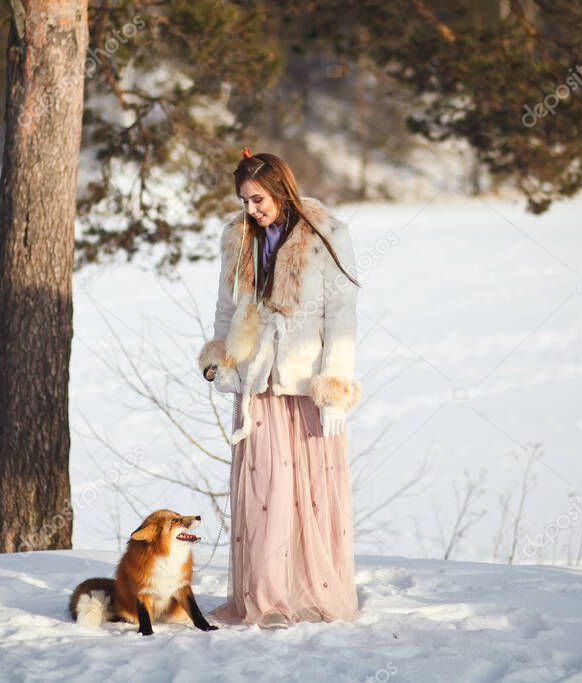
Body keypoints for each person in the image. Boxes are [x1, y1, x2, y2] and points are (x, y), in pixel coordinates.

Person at [197, 148, 362, 628]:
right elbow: (226, 308)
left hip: (305, 385)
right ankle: (268, 598)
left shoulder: (326, 235)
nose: (251, 209)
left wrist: (334, 387)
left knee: (308, 495)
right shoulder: (237, 237)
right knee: (264, 493)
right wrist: (219, 362)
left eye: (258, 199)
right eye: (245, 200)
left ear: (281, 188)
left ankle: (313, 593)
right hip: (257, 383)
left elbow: (342, 315)